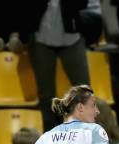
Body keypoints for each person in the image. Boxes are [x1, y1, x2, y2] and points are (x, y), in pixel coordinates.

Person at [27, 0, 91, 130]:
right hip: (41, 37)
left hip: (72, 37)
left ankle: (87, 135)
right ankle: (50, 137)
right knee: (46, 95)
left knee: (84, 92)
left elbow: (82, 4)